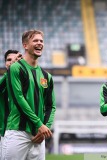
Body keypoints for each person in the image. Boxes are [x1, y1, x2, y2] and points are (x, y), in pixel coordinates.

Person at [2, 29, 56, 160]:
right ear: (25, 45)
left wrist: (45, 129)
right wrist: (39, 124)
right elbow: (18, 99)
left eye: (41, 41)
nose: (39, 43)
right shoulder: (16, 68)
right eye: (35, 40)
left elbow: (51, 106)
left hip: (38, 134)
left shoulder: (46, 76)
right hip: (18, 132)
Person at [0, 50, 22, 159]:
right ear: (5, 63)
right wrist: (10, 72)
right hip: (5, 133)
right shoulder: (4, 81)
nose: (12, 62)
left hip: (23, 133)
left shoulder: (26, 83)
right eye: (9, 60)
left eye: (16, 60)